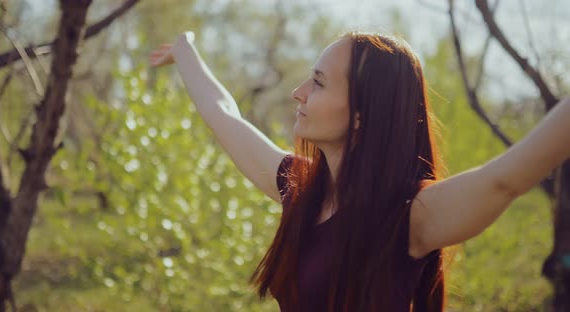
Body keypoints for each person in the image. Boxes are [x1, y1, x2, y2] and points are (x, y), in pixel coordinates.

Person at [149, 31, 570, 311]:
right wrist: (185, 49)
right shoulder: (299, 188)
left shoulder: (409, 215)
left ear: (360, 116)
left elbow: (506, 178)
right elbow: (225, 117)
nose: (298, 92)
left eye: (318, 82)